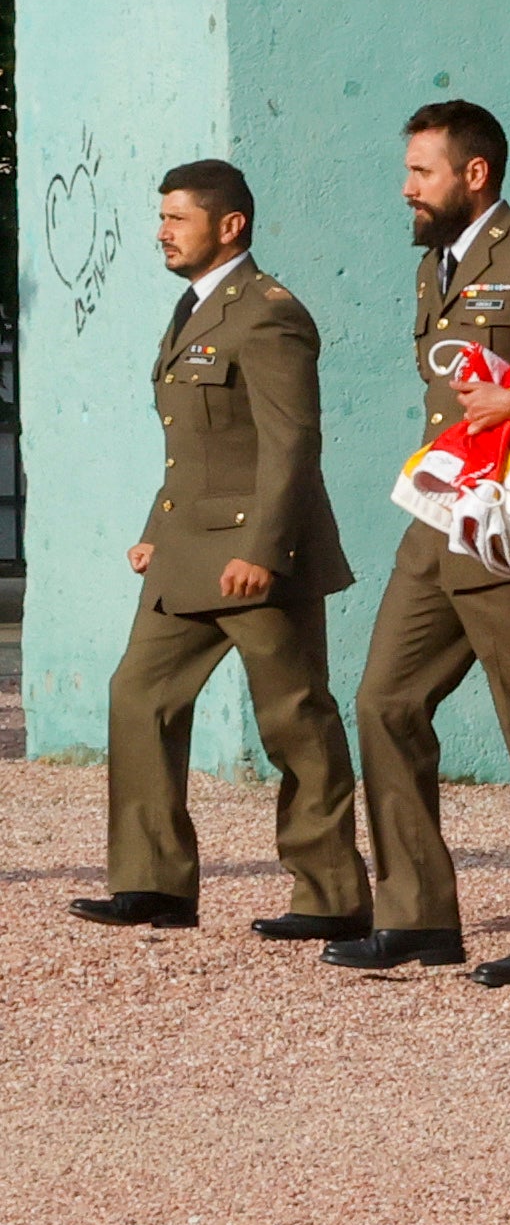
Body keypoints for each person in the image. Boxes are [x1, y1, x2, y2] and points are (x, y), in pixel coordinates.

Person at [333, 100, 510, 981]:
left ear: (474, 174)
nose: (406, 188)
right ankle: (417, 916)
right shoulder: (438, 267)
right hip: (439, 524)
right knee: (385, 701)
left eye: (422, 172)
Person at [76, 160, 366, 938]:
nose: (162, 231)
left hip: (254, 562)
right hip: (186, 554)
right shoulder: (194, 310)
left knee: (294, 720)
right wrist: (153, 532)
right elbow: (193, 448)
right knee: (139, 696)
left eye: (177, 218)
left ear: (229, 225)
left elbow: (291, 441)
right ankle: (155, 885)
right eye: (161, 217)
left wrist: (265, 550)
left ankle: (332, 896)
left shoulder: (267, 313)